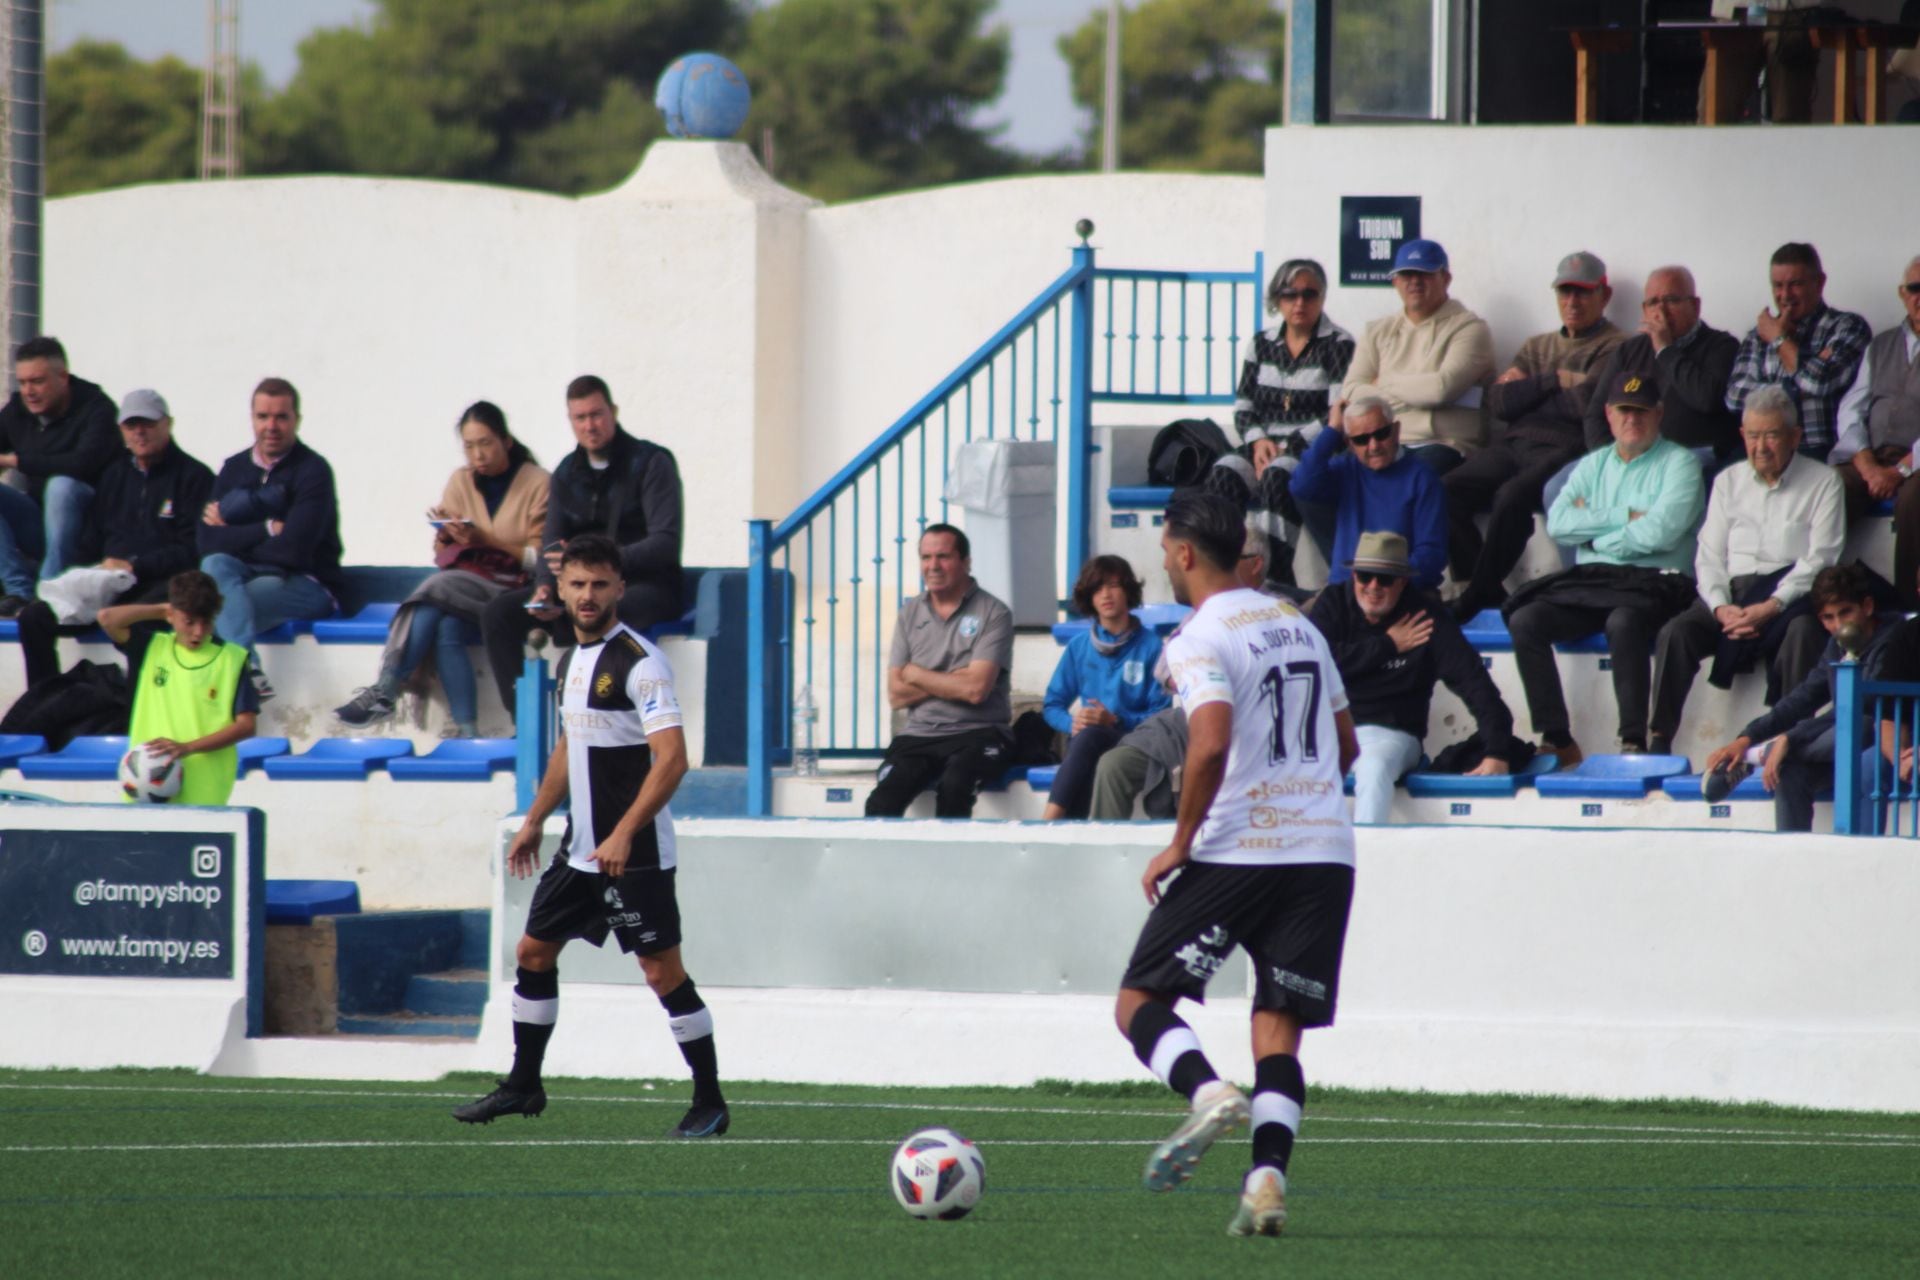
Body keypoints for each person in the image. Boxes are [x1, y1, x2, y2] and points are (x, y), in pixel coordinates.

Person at [1113, 491, 1358, 1239]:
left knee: (1138, 1003)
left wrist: (1182, 841)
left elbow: (1211, 740)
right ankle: (1265, 1183)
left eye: (1164, 548)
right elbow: (1347, 746)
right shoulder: (1298, 623)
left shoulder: (1195, 636)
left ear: (1186, 553)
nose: (1161, 558)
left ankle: (1207, 1091)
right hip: (1324, 852)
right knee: (1277, 1028)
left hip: (1242, 848)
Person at [454, 535, 726, 1137]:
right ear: (560, 589)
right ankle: (524, 1085)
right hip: (581, 851)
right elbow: (567, 746)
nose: (587, 595)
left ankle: (709, 1100)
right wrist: (533, 821)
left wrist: (626, 832)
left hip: (636, 853)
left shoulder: (641, 662)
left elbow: (673, 759)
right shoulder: (571, 662)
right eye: (577, 584)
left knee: (663, 974)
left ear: (619, 589)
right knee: (532, 953)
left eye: (600, 584)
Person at [1505, 372, 1704, 763]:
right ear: (1610, 415)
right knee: (1525, 619)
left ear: (1658, 413)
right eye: (1624, 410)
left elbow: (1660, 534)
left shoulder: (1681, 464)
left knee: (1623, 621)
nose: (1633, 419)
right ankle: (1558, 738)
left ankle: (1634, 741)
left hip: (1656, 584)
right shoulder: (1591, 465)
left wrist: (1595, 537)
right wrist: (1627, 514)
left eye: (1642, 411)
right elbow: (1560, 523)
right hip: (1596, 582)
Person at [334, 402, 549, 737]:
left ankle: (387, 685)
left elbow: (538, 558)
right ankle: (467, 727)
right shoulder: (459, 481)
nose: (478, 455)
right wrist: (449, 535)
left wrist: (484, 540)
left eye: (486, 443)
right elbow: (442, 553)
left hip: (513, 586)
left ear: (506, 441)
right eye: (469, 446)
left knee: (433, 588)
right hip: (465, 583)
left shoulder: (538, 483)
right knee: (446, 627)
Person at [1648, 387, 1844, 753]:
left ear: (1795, 437)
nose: (1761, 446)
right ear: (1742, 436)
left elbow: (1822, 558)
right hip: (1732, 598)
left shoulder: (1824, 482)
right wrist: (1721, 608)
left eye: (1772, 435)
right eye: (1753, 436)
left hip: (1791, 596)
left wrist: (1772, 605)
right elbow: (1708, 555)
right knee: (1677, 632)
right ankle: (1658, 742)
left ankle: (1788, 739)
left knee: (1803, 631)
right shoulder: (1728, 481)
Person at [482, 375, 684, 716]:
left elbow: (665, 543)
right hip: (578, 588)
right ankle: (526, 725)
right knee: (498, 614)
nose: (590, 426)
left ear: (613, 412)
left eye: (597, 414)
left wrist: (602, 564)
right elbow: (551, 541)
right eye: (581, 418)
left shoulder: (651, 463)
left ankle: (599, 715)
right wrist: (546, 587)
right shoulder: (565, 472)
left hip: (642, 585)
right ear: (571, 421)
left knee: (610, 609)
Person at [1444, 251, 1629, 621]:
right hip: (1514, 443)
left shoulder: (1617, 346)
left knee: (1511, 496)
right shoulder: (1536, 345)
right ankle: (1482, 587)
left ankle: (1477, 594)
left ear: (1603, 296)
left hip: (1569, 447)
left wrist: (1529, 392)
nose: (1572, 302)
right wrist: (1555, 380)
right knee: (1444, 489)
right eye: (1565, 292)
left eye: (1582, 292)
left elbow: (1589, 404)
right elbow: (1497, 402)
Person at [1310, 531, 1516, 824]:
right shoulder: (1334, 603)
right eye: (1365, 576)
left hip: (1392, 733)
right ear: (1353, 575)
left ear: (1403, 581)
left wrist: (1497, 750)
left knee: (1373, 767)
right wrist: (1387, 646)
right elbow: (1315, 662)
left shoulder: (1426, 617)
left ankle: (1367, 860)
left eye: (1385, 579)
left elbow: (1473, 682)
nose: (1373, 587)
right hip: (1331, 729)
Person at [16, 389, 216, 688]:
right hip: (107, 584)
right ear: (121, 430)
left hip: (161, 585)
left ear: (168, 424)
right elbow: (93, 539)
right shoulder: (114, 475)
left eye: (147, 423)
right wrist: (91, 572)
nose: (139, 432)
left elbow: (193, 549)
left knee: (138, 623)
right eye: (131, 425)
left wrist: (136, 566)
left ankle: (133, 717)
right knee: (33, 618)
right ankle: (44, 704)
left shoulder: (194, 476)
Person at [1088, 515, 1277, 822]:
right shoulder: (1205, 611)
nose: (1220, 567)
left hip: (1248, 726)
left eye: (1230, 559)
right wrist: (1199, 677)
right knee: (1113, 764)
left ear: (1255, 564)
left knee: (1207, 757)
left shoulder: (1281, 611)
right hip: (1186, 717)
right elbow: (1164, 669)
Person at [1700, 565, 1904, 833]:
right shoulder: (1836, 645)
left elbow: (1863, 707)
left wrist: (1790, 739)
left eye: (1846, 612)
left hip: (1893, 744)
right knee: (1790, 772)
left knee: (1861, 725)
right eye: (1828, 617)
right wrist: (1747, 737)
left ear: (1867, 606)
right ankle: (1792, 861)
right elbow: (1802, 699)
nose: (1839, 625)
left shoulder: (1896, 638)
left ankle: (1759, 756)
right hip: (1843, 747)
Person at [198, 377, 344, 690]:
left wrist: (234, 533)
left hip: (306, 583)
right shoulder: (234, 468)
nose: (271, 426)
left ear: (297, 420)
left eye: (281, 417)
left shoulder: (313, 471)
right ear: (252, 418)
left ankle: (236, 678)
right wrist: (267, 529)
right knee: (214, 568)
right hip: (247, 575)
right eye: (263, 417)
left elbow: (294, 551)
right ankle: (247, 669)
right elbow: (207, 543)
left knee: (221, 603)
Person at [864, 524, 1015, 818]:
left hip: (979, 733)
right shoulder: (910, 613)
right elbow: (895, 694)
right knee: (880, 804)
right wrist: (955, 677)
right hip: (918, 735)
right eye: (926, 557)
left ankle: (952, 866)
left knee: (954, 789)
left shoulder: (994, 612)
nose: (933, 566)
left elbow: (975, 690)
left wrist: (917, 674)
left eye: (943, 556)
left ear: (965, 562)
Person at [1230, 257, 1355, 572]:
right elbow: (1243, 406)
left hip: (1311, 448)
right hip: (1262, 445)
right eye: (1290, 294)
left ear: (1322, 297)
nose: (1300, 302)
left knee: (1278, 474)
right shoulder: (1261, 344)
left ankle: (1274, 575)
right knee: (1224, 473)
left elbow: (1336, 412)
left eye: (1309, 294)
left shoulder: (1339, 344)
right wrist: (1259, 443)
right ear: (1277, 300)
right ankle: (1224, 571)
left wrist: (1286, 448)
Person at [97, 570, 258, 807]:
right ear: (172, 615)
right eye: (189, 621)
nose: (198, 632)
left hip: (204, 791)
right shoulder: (152, 647)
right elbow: (107, 618)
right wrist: (162, 610)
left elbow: (246, 726)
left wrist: (188, 748)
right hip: (145, 787)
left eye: (206, 622)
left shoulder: (231, 660)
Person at [1340, 237, 1495, 477]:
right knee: (1323, 479)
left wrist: (1382, 382)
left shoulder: (1470, 328)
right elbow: (1350, 390)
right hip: (1383, 440)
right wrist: (1416, 391)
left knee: (1410, 478)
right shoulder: (1377, 330)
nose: (1414, 282)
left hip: (1445, 443)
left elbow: (1439, 390)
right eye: (1406, 274)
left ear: (1446, 278)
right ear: (1395, 281)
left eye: (1425, 274)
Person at [1040, 556, 1170, 821]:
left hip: (1134, 741)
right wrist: (1072, 722)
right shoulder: (1079, 646)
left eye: (1113, 586)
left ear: (1128, 591)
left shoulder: (1152, 646)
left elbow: (1162, 715)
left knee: (1089, 738)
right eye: (1097, 589)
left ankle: (1049, 820)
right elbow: (1052, 705)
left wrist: (1115, 719)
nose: (1106, 595)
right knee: (1087, 737)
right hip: (1088, 742)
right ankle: (1067, 829)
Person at [0, 336, 119, 615]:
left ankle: (48, 593)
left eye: (37, 381)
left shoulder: (97, 408)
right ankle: (19, 591)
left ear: (63, 377)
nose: (29, 391)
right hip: (40, 527)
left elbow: (82, 463)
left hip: (90, 536)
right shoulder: (18, 410)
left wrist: (16, 460)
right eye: (23, 382)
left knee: (62, 486)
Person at [1830, 254, 1920, 611]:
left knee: (1915, 500)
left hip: (1916, 462)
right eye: (1915, 288)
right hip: (1873, 455)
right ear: (1902, 293)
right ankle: (1821, 597)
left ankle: (1908, 607)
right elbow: (1852, 407)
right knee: (1828, 487)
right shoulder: (1880, 345)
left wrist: (1900, 470)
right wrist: (1866, 465)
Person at [1581, 266, 1742, 465]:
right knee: (1555, 487)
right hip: (1630, 458)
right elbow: (1595, 416)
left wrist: (1665, 350)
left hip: (1691, 456)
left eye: (1672, 300)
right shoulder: (1627, 352)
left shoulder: (1722, 346)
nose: (1661, 311)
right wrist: (1614, 463)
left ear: (1695, 306)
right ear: (1644, 310)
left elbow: (1706, 400)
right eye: (1653, 302)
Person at [1724, 243, 1870, 461]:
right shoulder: (1757, 336)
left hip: (1819, 450)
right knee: (1722, 476)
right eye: (1778, 285)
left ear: (1820, 283)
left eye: (1795, 284)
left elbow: (1820, 382)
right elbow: (1735, 397)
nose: (1785, 295)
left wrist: (1778, 340)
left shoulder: (1848, 326)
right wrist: (1795, 387)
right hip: (1764, 452)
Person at [1288, 394, 1447, 591]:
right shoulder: (1345, 469)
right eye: (1362, 439)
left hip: (1399, 594)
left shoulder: (1422, 477)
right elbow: (1302, 485)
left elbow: (1431, 555)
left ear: (1396, 430)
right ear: (1349, 444)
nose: (1374, 446)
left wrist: (1381, 585)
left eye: (1381, 434)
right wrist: (1332, 431)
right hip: (1344, 595)